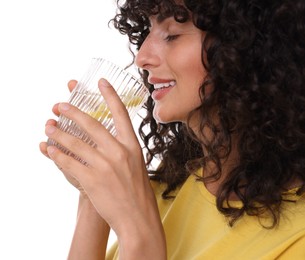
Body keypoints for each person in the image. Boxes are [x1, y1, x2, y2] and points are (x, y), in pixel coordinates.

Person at [40, 0, 305, 259]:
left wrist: (139, 237)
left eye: (172, 35)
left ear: (247, 47)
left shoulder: (297, 240)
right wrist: (92, 193)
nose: (142, 57)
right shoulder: (164, 190)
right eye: (147, 29)